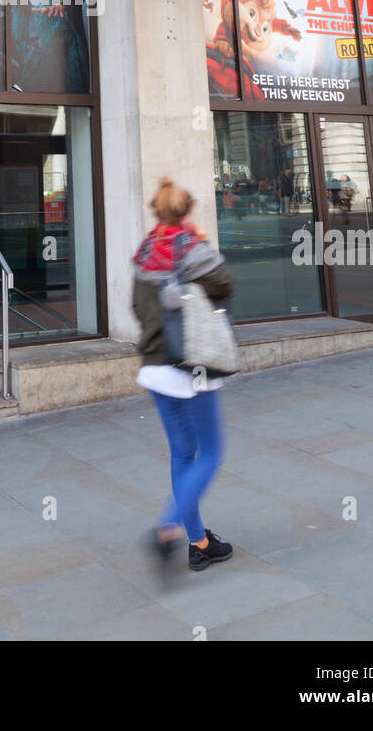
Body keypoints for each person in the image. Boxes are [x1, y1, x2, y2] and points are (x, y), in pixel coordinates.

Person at [131, 177, 235, 573]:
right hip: (193, 364)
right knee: (210, 453)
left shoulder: (143, 252)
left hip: (155, 366)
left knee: (181, 452)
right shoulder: (190, 248)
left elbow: (139, 309)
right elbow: (227, 284)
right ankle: (167, 526)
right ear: (186, 211)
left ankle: (199, 542)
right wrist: (203, 242)